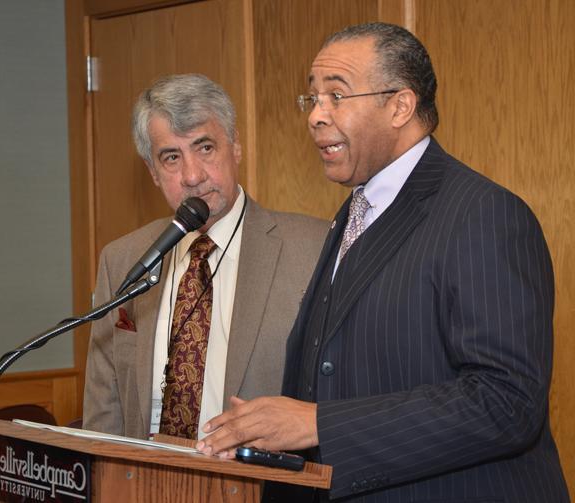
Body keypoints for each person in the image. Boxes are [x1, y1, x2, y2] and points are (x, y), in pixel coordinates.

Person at [196, 23, 571, 502]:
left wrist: (318, 424)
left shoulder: (483, 213)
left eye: (336, 95)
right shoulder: (354, 212)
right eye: (312, 98)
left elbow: (507, 402)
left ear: (400, 106)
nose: (316, 116)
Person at [83, 74, 329, 441]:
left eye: (205, 148)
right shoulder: (122, 259)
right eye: (171, 157)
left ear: (235, 147)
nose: (192, 175)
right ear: (152, 171)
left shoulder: (316, 249)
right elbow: (104, 410)